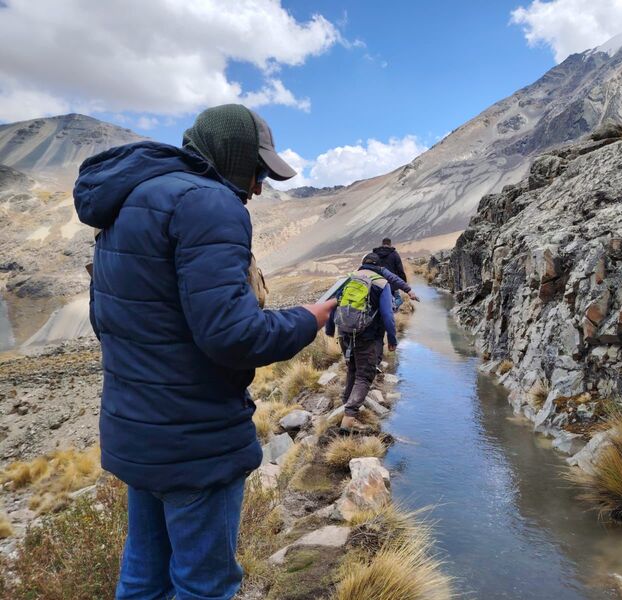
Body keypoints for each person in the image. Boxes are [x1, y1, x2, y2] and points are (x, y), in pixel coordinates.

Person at [74, 103, 336, 600]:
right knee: (205, 586)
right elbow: (234, 337)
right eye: (257, 171)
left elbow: (106, 321)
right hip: (195, 441)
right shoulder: (210, 204)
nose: (258, 188)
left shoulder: (128, 202)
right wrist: (311, 317)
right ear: (233, 157)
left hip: (137, 433)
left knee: (143, 580)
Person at [326, 253, 397, 432]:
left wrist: (329, 330)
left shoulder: (348, 278)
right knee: (364, 375)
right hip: (367, 335)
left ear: (362, 264)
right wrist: (392, 339)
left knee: (352, 368)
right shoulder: (382, 284)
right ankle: (349, 419)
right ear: (380, 267)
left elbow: (331, 304)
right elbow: (388, 316)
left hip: (344, 332)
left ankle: (347, 403)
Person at [373, 237, 409, 310]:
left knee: (378, 301)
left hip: (377, 283)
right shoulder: (394, 254)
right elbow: (400, 270)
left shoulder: (375, 254)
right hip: (392, 283)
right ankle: (393, 311)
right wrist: (403, 283)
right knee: (398, 299)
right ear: (390, 244)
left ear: (382, 244)